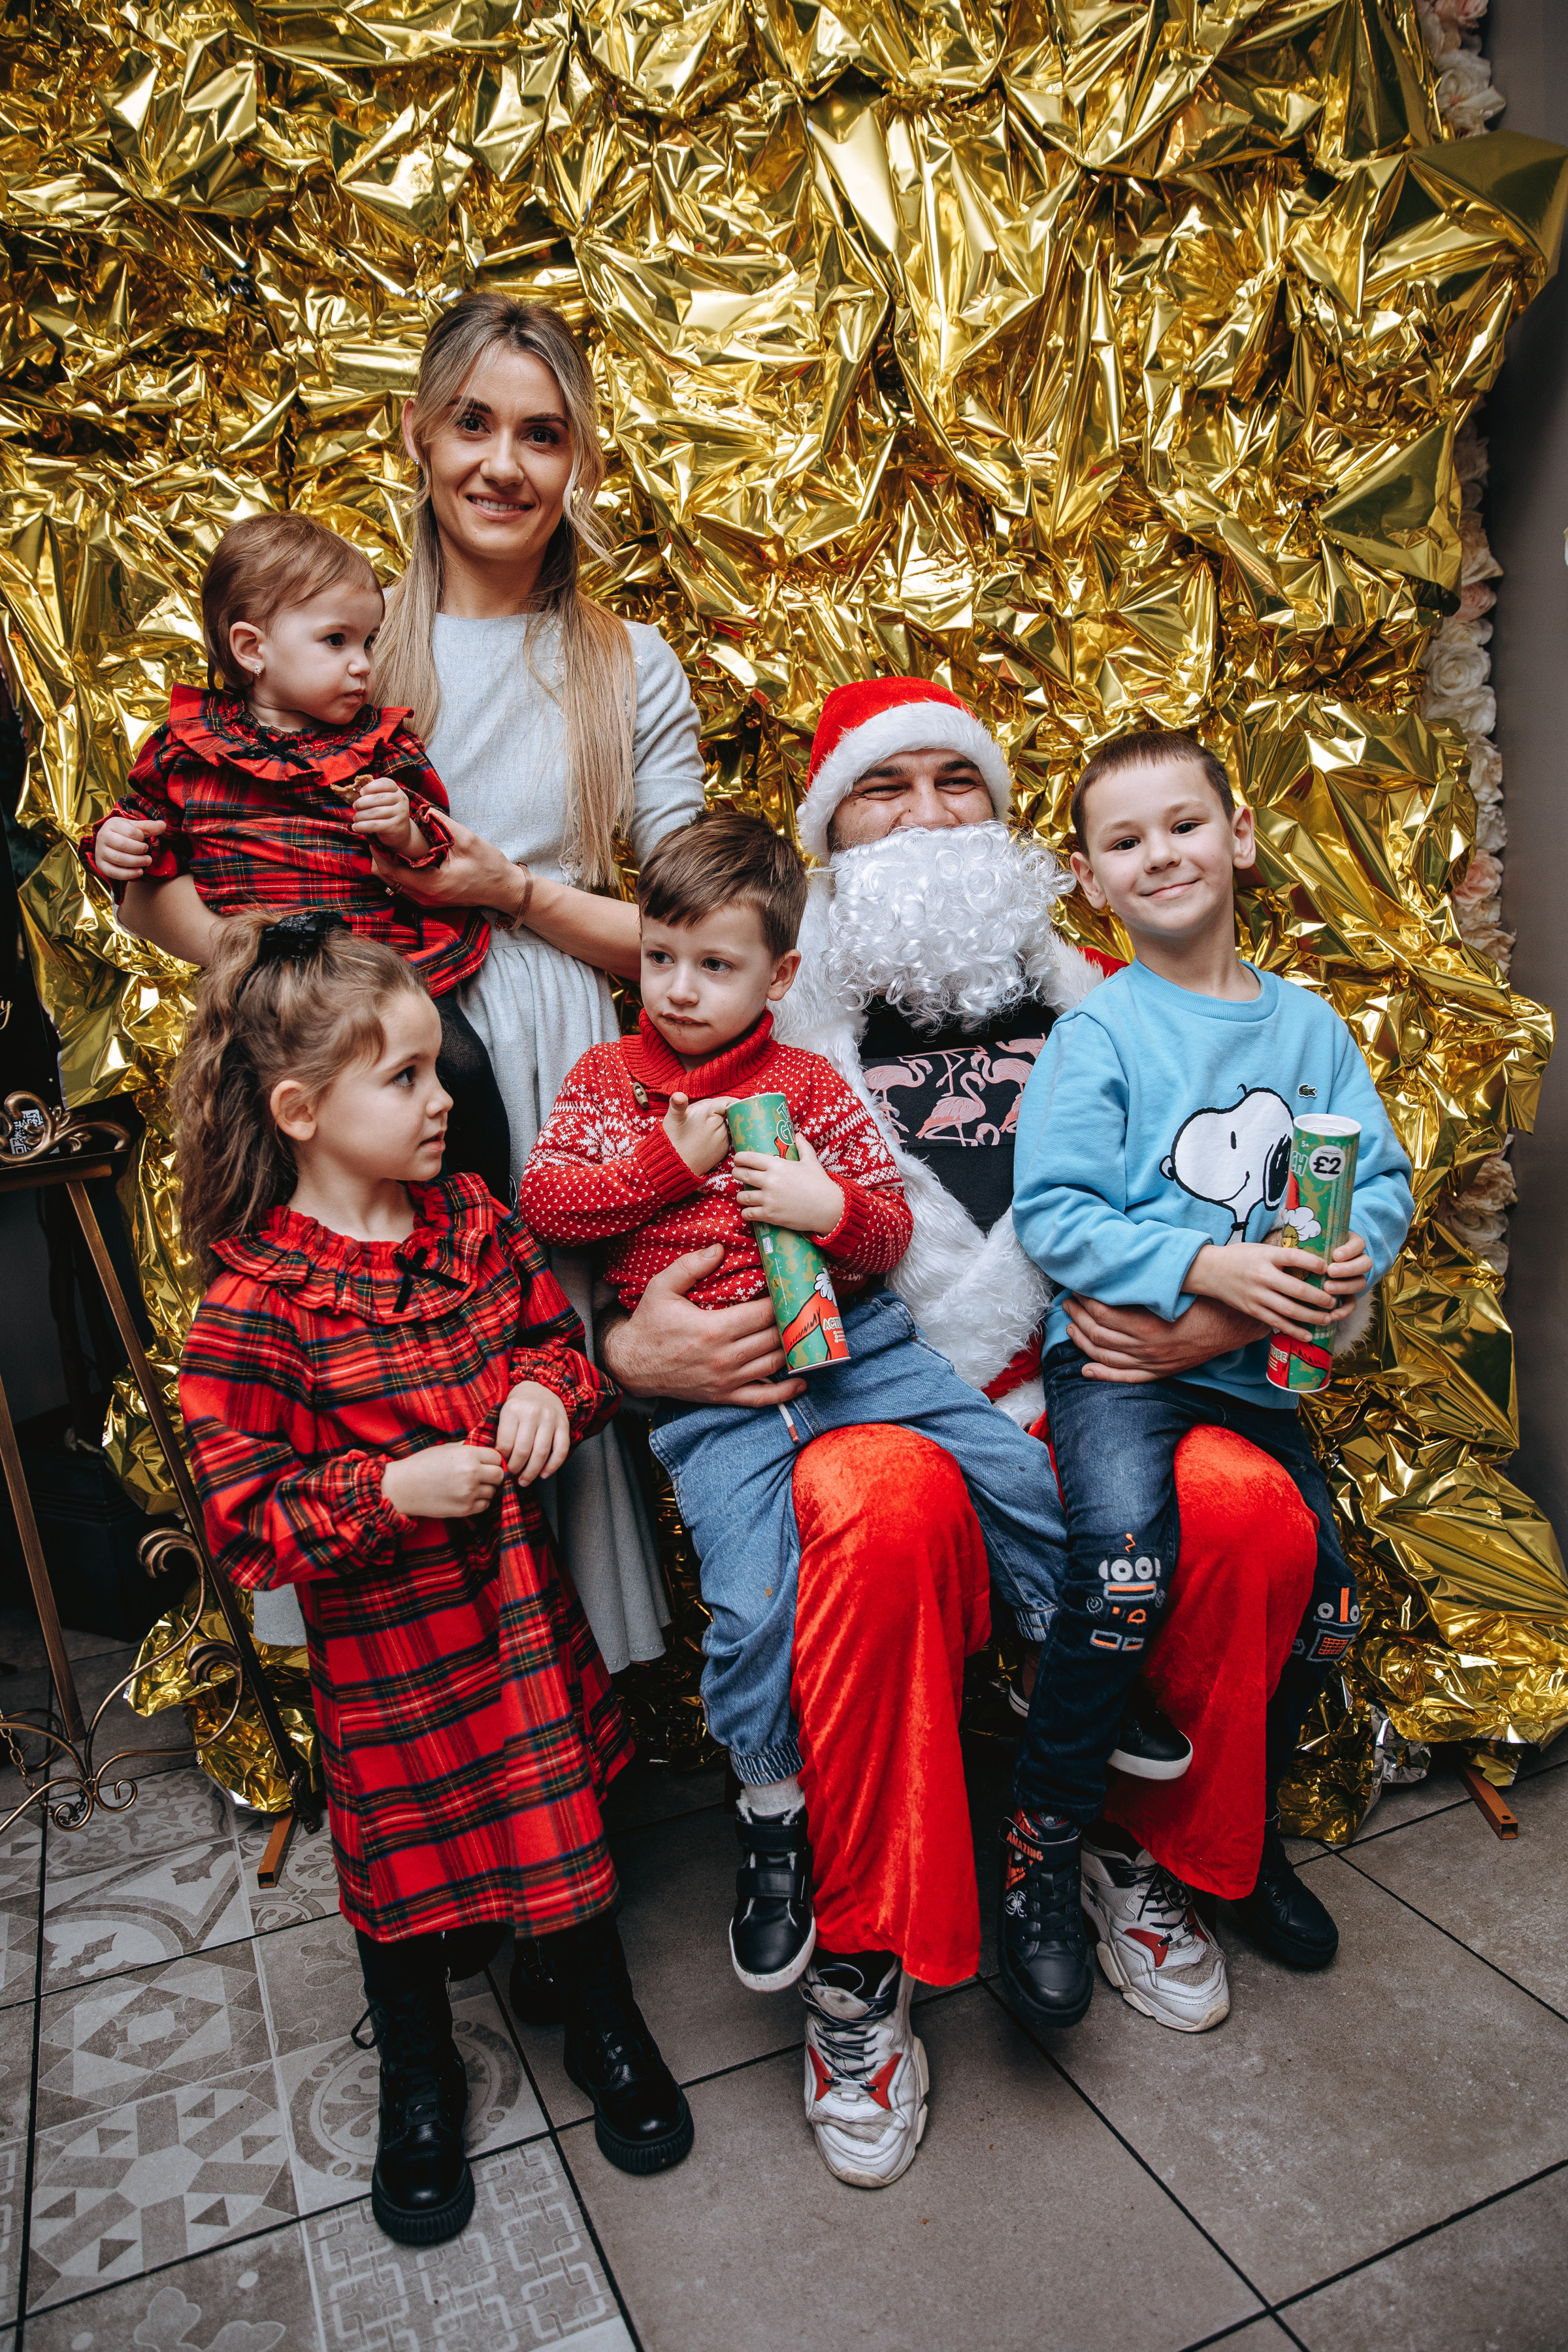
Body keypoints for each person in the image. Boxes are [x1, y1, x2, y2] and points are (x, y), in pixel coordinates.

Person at [598, 676, 1318, 2189]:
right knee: (866, 1495)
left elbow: (1244, 1201)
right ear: (825, 838)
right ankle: (862, 1955)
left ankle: (1143, 1850)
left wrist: (1198, 1325)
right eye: (883, 788)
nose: (926, 818)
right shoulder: (739, 1026)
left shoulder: (1122, 1007)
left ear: (1005, 824)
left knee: (1246, 1503)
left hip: (1107, 1399)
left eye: (956, 785)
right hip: (880, 1411)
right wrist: (624, 1347)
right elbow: (572, 1236)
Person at [122, 295, 706, 1678]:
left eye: (543, 436)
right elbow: (168, 894)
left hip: (544, 1049)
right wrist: (291, 982)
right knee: (362, 1394)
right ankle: (410, 1725)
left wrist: (509, 892)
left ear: (582, 463)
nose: (505, 465)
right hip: (356, 1059)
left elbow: (695, 949)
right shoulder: (344, 639)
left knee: (529, 1373)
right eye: (475, 424)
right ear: (419, 434)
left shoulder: (625, 666)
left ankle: (564, 1721)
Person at [175, 909, 693, 2247]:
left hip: (522, 1630)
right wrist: (384, 1492)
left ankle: (597, 2006)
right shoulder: (254, 1304)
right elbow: (244, 1522)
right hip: (395, 1673)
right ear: (299, 1109)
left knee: (560, 1818)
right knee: (404, 1877)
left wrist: (546, 1391)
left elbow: (560, 1349)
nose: (440, 1097)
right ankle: (418, 2064)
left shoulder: (470, 1217)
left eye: (435, 1067)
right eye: (401, 1076)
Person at [520, 810, 1075, 2027]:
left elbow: (883, 1230)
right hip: (717, 1411)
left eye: (714, 967)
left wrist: (826, 1204)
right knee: (754, 1601)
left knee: (1012, 1473)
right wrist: (668, 1168)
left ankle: (1060, 1658)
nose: (678, 988)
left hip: (862, 1355)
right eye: (660, 957)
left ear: (778, 976)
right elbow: (551, 1206)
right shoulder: (610, 1085)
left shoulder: (808, 1084)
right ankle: (772, 1819)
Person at [1000, 727, 1414, 2034]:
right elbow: (1055, 1216)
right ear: (1090, 880)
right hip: (1119, 1370)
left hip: (1255, 1384)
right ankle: (1045, 1845)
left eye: (1184, 825)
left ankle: (1231, 1847)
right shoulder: (1100, 1032)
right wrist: (1210, 1272)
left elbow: (1381, 1187)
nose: (1160, 854)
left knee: (1328, 1603)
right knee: (1123, 1577)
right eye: (1126, 841)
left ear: (1238, 838)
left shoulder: (1309, 1027)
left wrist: (1349, 1260)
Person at [78, 511, 510, 1200]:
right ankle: (270, 1269)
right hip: (260, 984)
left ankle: (485, 1221)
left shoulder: (380, 745)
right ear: (252, 648)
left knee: (459, 1066)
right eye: (336, 640)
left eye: (367, 640)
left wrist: (403, 828)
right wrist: (114, 843)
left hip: (376, 967)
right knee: (248, 1122)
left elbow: (436, 846)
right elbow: (141, 838)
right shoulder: (186, 748)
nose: (362, 663)